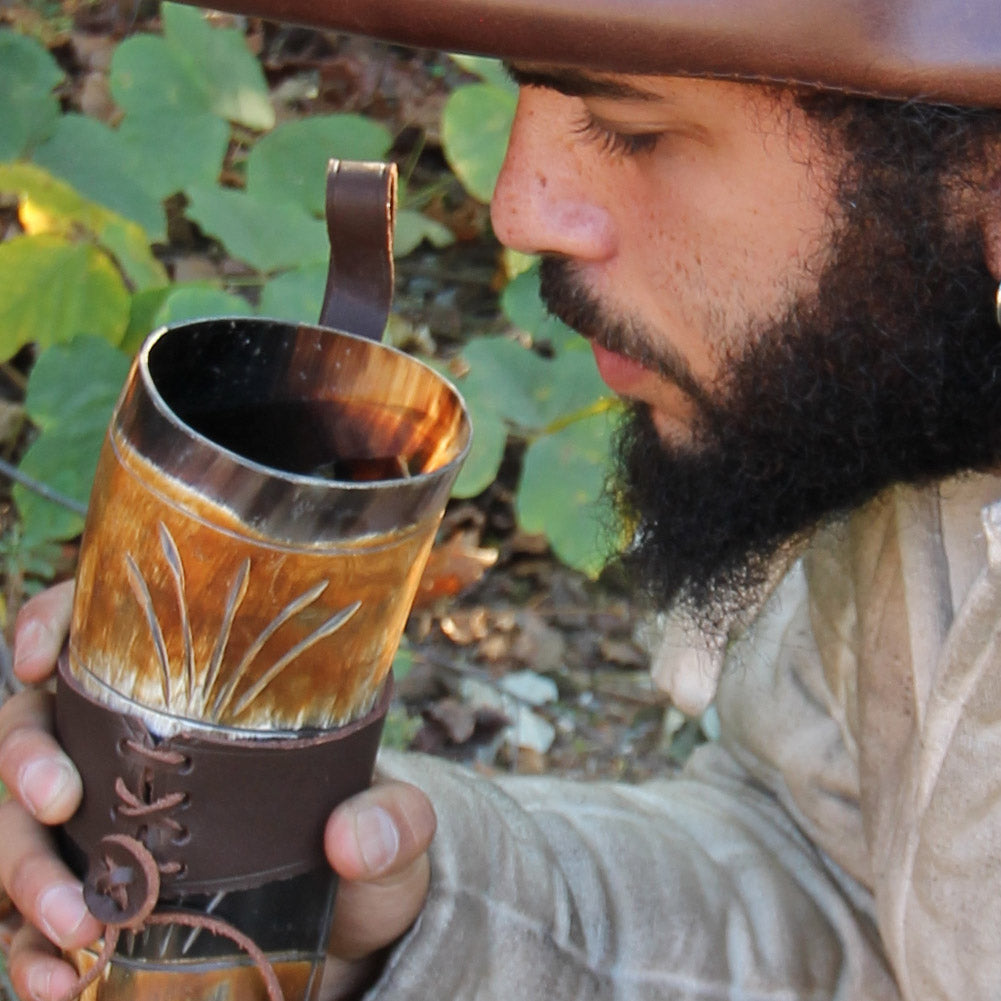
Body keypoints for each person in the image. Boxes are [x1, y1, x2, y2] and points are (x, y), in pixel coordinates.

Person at [2, 1, 1001, 998]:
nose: (517, 209)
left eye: (632, 127)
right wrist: (394, 913)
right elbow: (852, 887)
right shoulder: (916, 412)